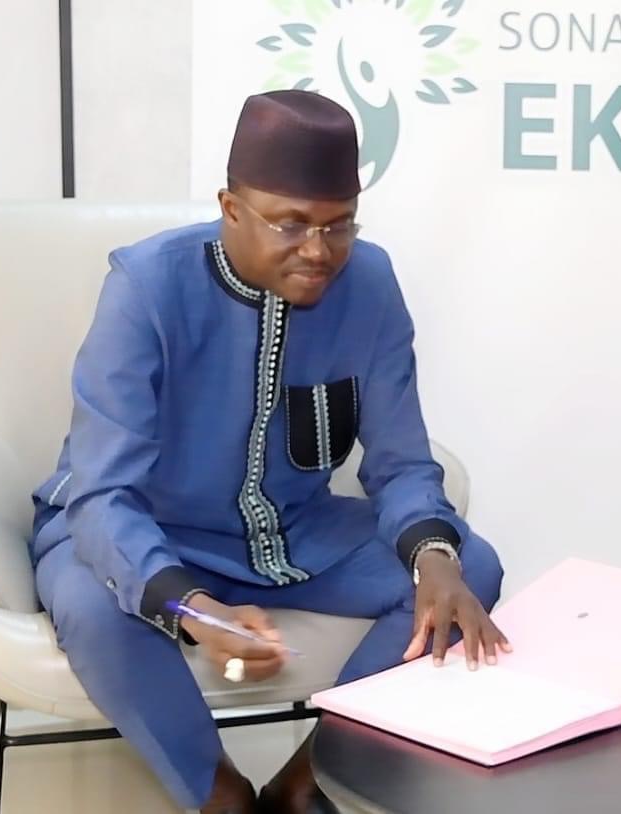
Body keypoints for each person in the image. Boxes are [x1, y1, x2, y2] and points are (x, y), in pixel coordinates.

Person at [29, 90, 506, 813]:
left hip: (292, 535)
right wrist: (190, 607)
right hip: (141, 533)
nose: (318, 250)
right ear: (231, 209)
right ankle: (218, 795)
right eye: (291, 224)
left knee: (472, 565)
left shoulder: (370, 282)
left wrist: (433, 559)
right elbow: (102, 498)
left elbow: (402, 462)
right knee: (94, 608)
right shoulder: (145, 287)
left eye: (338, 225)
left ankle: (312, 781)